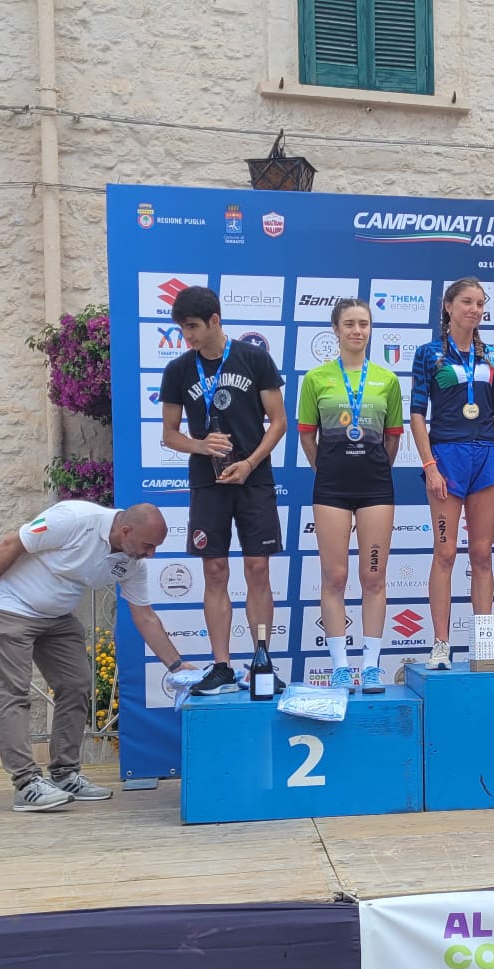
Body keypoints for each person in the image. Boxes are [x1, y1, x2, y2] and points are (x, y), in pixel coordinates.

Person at [0, 501, 182, 811]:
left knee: (76, 685)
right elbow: (9, 544)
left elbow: (146, 617)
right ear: (125, 531)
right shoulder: (74, 519)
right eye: (148, 545)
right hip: (10, 607)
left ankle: (64, 774)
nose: (151, 554)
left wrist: (177, 666)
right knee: (13, 693)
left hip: (57, 617)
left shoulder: (133, 563)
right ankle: (26, 784)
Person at [159, 285, 288, 696]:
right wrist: (200, 446)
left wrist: (250, 463)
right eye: (182, 329)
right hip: (208, 482)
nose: (188, 336)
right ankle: (221, 666)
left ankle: (261, 662)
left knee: (258, 569)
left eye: (193, 327)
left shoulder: (254, 358)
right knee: (214, 571)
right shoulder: (179, 369)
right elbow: (169, 434)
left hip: (254, 479)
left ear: (215, 320)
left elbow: (279, 422)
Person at [298, 298, 405, 692]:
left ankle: (371, 666)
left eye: (363, 324)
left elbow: (392, 439)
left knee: (373, 577)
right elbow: (307, 436)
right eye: (349, 324)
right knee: (335, 577)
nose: (357, 331)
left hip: (376, 488)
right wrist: (327, 469)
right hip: (331, 489)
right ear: (336, 329)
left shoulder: (387, 380)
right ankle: (341, 666)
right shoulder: (316, 379)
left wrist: (371, 467)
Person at [409, 278, 494, 669]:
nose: (474, 309)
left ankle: (485, 648)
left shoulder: (492, 355)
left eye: (480, 303)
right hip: (447, 456)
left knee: (482, 553)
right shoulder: (429, 354)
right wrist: (429, 465)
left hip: (486, 455)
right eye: (467, 302)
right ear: (448, 306)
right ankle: (441, 645)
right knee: (446, 552)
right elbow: (417, 414)